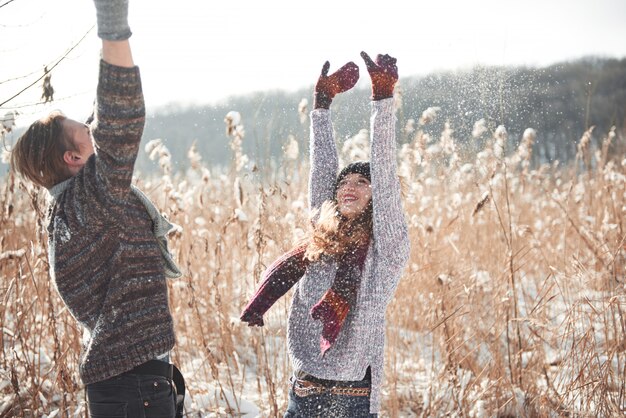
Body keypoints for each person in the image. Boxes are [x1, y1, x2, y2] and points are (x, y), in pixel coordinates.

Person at [10, 1, 185, 416]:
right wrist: (112, 22)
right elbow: (119, 119)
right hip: (134, 387)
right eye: (85, 133)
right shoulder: (89, 202)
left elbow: (105, 118)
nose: (94, 131)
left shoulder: (73, 209)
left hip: (131, 383)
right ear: (73, 159)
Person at [241, 51, 410, 417]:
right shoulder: (321, 240)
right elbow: (322, 170)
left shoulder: (385, 254)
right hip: (302, 388)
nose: (349, 186)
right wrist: (321, 107)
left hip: (351, 397)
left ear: (378, 193)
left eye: (362, 182)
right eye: (345, 182)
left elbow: (384, 167)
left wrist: (382, 101)